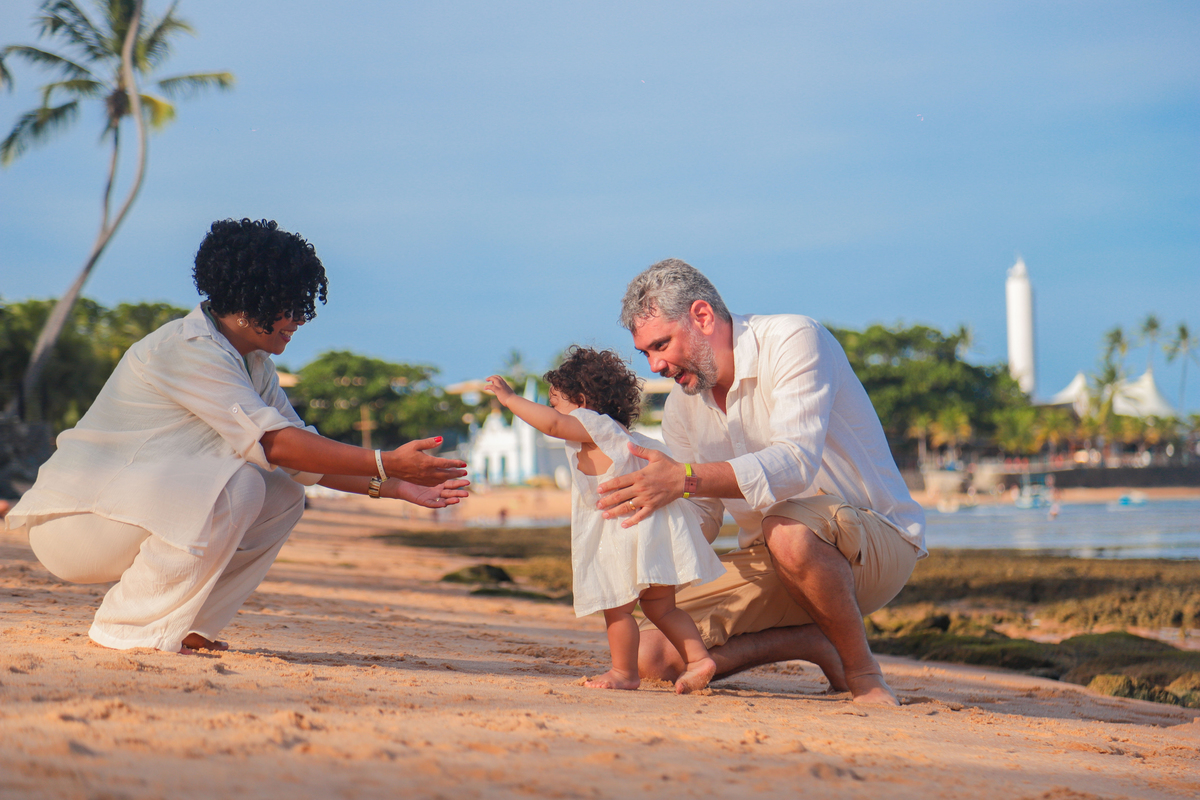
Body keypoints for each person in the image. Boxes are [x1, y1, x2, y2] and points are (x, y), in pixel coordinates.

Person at [5, 219, 469, 655]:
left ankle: (188, 625)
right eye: (288, 306)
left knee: (282, 489)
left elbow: (299, 456)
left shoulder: (253, 365)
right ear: (249, 302)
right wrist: (387, 462)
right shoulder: (187, 350)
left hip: (125, 515)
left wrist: (396, 486)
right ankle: (127, 627)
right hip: (77, 524)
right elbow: (276, 445)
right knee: (242, 482)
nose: (300, 319)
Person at [596, 259, 926, 705]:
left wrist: (683, 479)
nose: (655, 365)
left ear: (702, 316)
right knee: (651, 656)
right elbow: (702, 514)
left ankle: (864, 674)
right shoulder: (681, 407)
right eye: (646, 353)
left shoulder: (794, 339)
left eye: (662, 345)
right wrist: (639, 537)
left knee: (788, 529)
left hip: (874, 544)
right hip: (774, 557)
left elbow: (795, 463)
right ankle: (815, 641)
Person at [484, 346, 724, 694]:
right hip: (650, 531)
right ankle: (699, 658)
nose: (553, 411)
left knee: (618, 608)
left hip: (626, 532)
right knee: (662, 608)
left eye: (556, 402)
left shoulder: (593, 424)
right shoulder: (618, 433)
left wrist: (509, 400)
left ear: (581, 402)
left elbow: (552, 425)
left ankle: (623, 671)